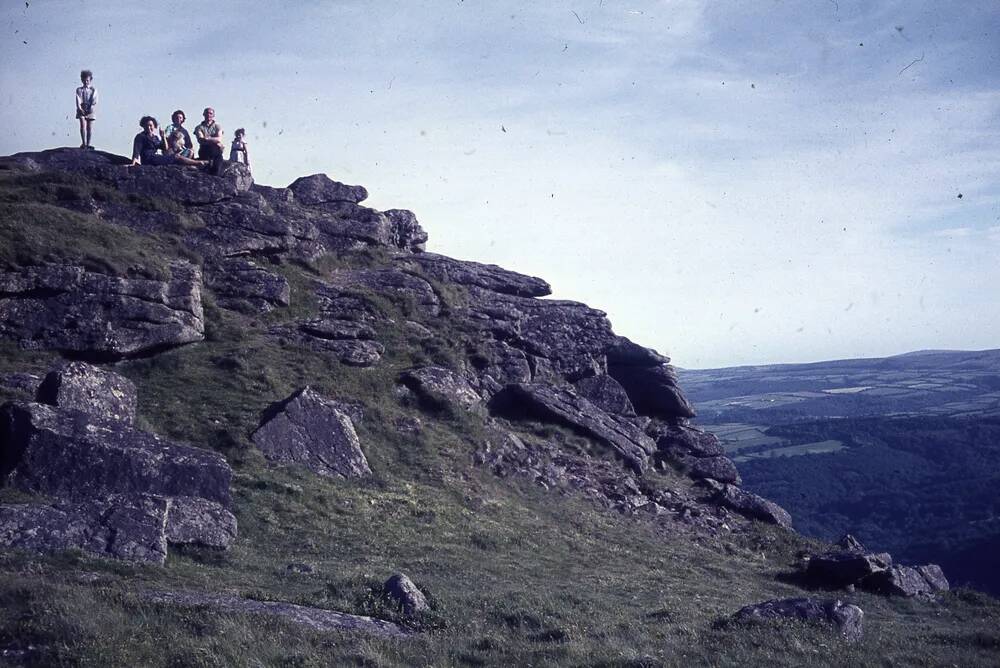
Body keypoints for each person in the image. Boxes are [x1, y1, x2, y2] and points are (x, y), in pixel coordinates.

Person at [130, 116, 206, 167]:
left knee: (178, 157)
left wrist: (163, 137)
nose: (149, 127)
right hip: (148, 159)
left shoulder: (155, 137)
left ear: (154, 126)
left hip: (155, 157)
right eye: (146, 125)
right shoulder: (140, 136)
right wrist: (134, 161)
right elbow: (136, 151)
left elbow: (165, 148)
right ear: (143, 126)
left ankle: (194, 164)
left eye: (151, 125)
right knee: (176, 157)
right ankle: (198, 163)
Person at [75, 70, 98, 149]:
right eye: (84, 80)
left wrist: (90, 108)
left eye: (87, 80)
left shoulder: (93, 90)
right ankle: (83, 143)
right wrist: (80, 108)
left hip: (90, 109)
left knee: (89, 127)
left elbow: (94, 100)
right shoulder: (79, 90)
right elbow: (78, 99)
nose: (86, 82)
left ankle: (88, 144)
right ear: (82, 80)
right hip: (81, 108)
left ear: (90, 80)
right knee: (82, 125)